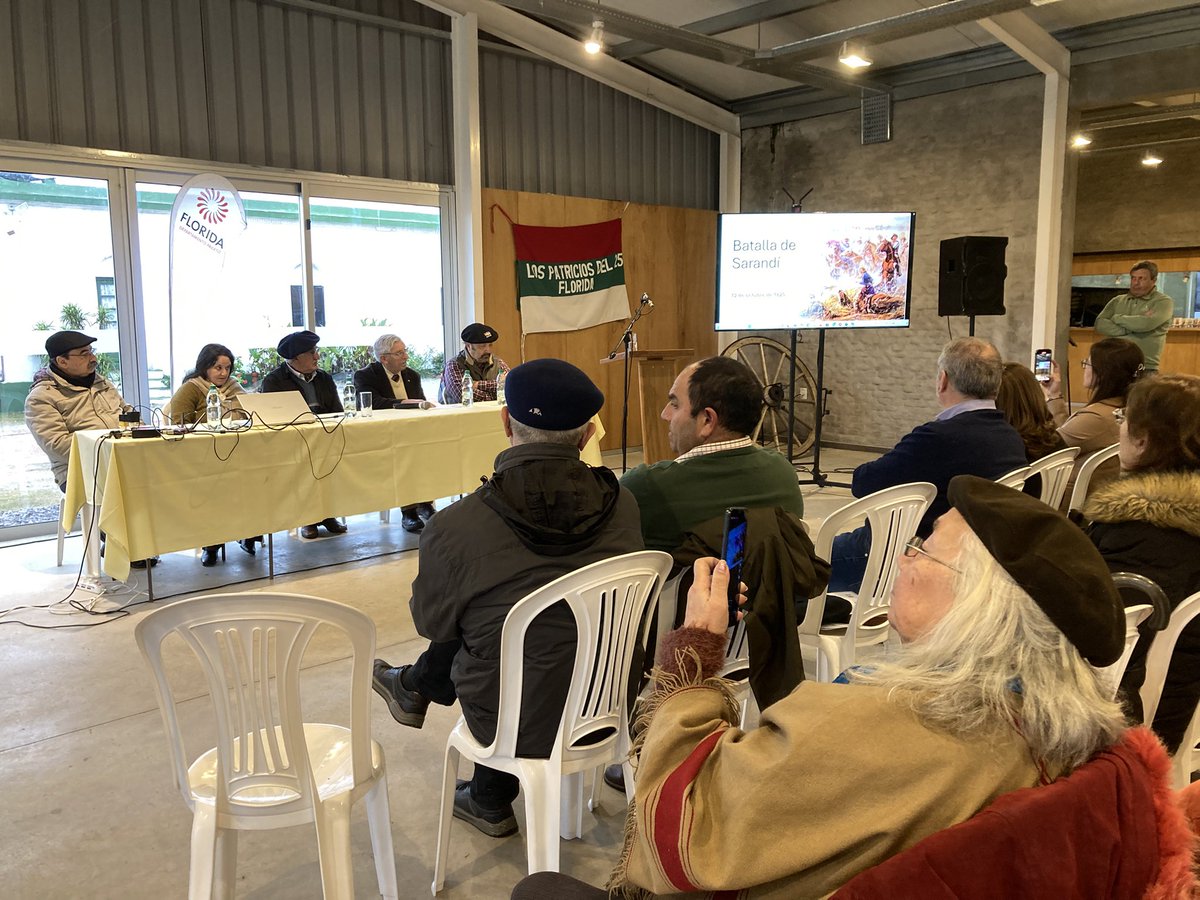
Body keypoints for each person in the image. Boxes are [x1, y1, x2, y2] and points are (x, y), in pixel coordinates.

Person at [603, 475, 1128, 898]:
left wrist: (694, 654)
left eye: (925, 548)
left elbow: (687, 829)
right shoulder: (1051, 725)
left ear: (976, 606)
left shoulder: (873, 724)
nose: (904, 556)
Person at [371, 359, 643, 838]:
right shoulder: (623, 504)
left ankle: (480, 782)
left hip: (511, 719)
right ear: (586, 436)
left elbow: (433, 624)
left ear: (503, 422)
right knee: (517, 625)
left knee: (484, 626)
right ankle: (478, 782)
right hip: (609, 702)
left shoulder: (455, 526)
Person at [828, 337, 1026, 593]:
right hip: (975, 558)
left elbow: (863, 483)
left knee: (798, 564)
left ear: (942, 380)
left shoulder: (937, 438)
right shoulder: (1010, 436)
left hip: (903, 554)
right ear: (996, 385)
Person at [1082, 373, 1200, 753]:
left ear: (1143, 439)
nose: (1119, 429)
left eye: (1123, 420)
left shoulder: (1143, 530)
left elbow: (1109, 647)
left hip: (1145, 718)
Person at [620, 356, 804, 555]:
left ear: (707, 420)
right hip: (775, 585)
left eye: (674, 404)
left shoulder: (645, 486)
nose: (665, 415)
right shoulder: (783, 473)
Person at [24, 330, 157, 568]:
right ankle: (124, 543)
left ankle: (149, 540)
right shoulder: (41, 397)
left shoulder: (102, 383)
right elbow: (56, 445)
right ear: (61, 361)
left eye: (91, 351)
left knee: (165, 477)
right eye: (83, 353)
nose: (92, 358)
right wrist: (105, 448)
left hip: (123, 459)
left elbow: (129, 414)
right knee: (121, 487)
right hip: (78, 472)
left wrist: (141, 429)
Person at [166, 342, 252, 566]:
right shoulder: (191, 388)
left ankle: (251, 532)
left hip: (237, 452)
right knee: (215, 489)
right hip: (201, 458)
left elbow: (250, 412)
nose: (223, 373)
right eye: (217, 368)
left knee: (253, 483)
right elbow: (179, 423)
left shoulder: (234, 387)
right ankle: (211, 544)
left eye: (227, 368)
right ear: (205, 367)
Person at [260, 330, 347, 539]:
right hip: (292, 442)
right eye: (312, 352)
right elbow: (271, 419)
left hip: (325, 437)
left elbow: (337, 410)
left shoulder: (324, 378)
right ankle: (307, 518)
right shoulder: (274, 381)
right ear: (295, 357)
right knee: (302, 469)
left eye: (316, 351)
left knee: (334, 464)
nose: (317, 356)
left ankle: (327, 514)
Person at [1042, 337, 1144, 511]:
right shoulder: (1126, 408)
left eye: (1086, 363)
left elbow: (1048, 445)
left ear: (1101, 373)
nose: (1084, 369)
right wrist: (1054, 395)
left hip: (1062, 501)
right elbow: (1067, 433)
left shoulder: (1096, 417)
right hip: (1097, 495)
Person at [353, 333, 435, 532]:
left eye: (405, 351)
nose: (406, 356)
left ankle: (425, 502)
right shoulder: (366, 375)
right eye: (399, 353)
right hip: (383, 435)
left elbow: (421, 402)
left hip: (413, 431)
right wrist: (405, 403)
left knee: (428, 453)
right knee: (403, 459)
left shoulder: (412, 375)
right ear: (384, 358)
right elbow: (372, 403)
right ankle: (408, 511)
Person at [1093, 261, 1174, 372]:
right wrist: (1130, 327)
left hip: (1144, 366)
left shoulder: (1163, 301)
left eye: (1141, 278)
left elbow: (1145, 324)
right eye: (1133, 278)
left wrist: (1117, 318)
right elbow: (1100, 324)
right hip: (1114, 363)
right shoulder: (1117, 300)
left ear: (1153, 280)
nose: (1136, 283)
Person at [440, 322, 509, 403]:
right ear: (468, 346)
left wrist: (478, 385)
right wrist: (497, 394)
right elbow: (464, 397)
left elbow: (512, 385)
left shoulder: (498, 362)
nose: (488, 350)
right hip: (462, 414)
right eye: (482, 346)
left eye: (490, 345)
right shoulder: (454, 365)